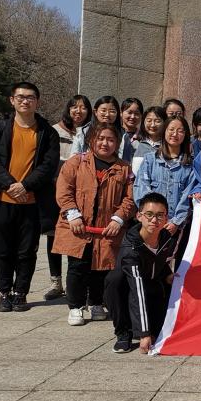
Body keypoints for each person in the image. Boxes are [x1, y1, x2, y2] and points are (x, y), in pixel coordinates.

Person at [0, 82, 60, 313]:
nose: (25, 101)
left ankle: (20, 293)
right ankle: (4, 293)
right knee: (3, 251)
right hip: (2, 201)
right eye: (21, 97)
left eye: (30, 97)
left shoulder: (48, 133)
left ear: (37, 101)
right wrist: (10, 185)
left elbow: (48, 166)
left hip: (32, 203)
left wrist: (25, 185)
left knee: (27, 252)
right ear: (12, 100)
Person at [53, 121, 135, 325]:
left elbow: (130, 198)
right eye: (100, 138)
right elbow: (64, 189)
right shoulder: (76, 162)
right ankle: (76, 306)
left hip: (106, 229)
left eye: (110, 139)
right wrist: (72, 214)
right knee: (77, 267)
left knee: (102, 268)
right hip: (79, 227)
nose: (105, 143)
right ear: (91, 140)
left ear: (117, 143)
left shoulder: (124, 168)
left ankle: (97, 302)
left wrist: (118, 218)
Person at [105, 192, 177, 354]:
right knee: (114, 279)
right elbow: (137, 288)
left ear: (166, 218)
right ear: (139, 216)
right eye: (149, 215)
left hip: (152, 286)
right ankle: (123, 333)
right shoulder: (131, 247)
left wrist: (168, 274)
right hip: (130, 288)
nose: (154, 220)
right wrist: (144, 333)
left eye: (160, 215)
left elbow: (158, 261)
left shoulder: (167, 238)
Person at [44, 95, 92, 301]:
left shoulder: (92, 133)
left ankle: (81, 283)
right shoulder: (54, 131)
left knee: (81, 235)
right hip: (57, 190)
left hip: (82, 193)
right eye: (74, 107)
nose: (78, 111)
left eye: (83, 107)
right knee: (54, 235)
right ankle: (56, 281)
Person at [135, 116, 199, 241]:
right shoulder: (150, 159)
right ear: (164, 131)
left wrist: (176, 221)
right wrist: (152, 216)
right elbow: (141, 188)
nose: (175, 134)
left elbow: (187, 197)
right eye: (171, 129)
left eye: (180, 131)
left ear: (185, 135)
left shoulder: (190, 165)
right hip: (149, 224)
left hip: (174, 228)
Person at [72, 95, 132, 161]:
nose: (107, 114)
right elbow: (73, 159)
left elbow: (127, 161)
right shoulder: (83, 132)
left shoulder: (124, 136)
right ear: (95, 112)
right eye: (103, 110)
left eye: (112, 111)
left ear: (117, 114)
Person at [131, 105, 167, 174]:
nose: (153, 125)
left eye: (157, 121)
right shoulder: (136, 144)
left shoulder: (169, 146)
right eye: (149, 121)